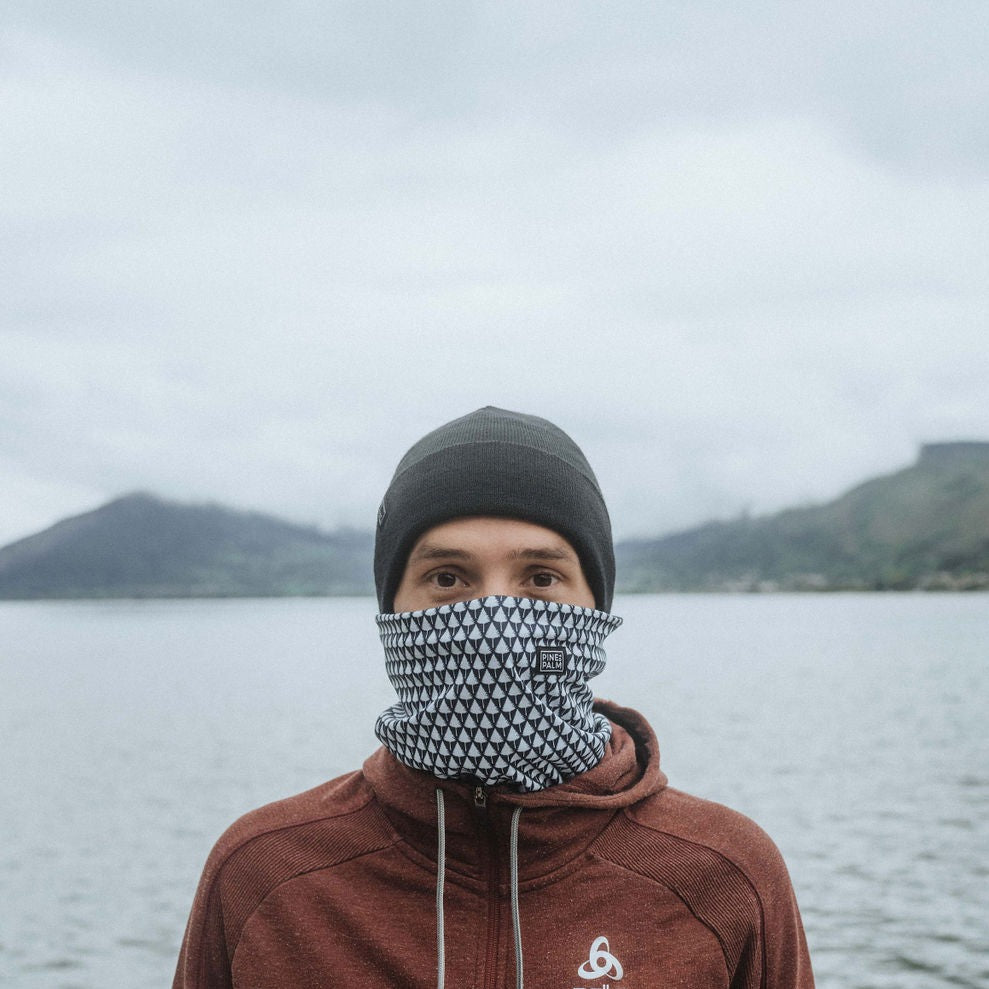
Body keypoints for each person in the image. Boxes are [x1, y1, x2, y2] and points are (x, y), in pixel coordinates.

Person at [173, 406, 814, 988]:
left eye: (541, 578)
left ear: (597, 608)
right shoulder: (264, 875)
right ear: (391, 610)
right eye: (447, 578)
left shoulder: (723, 876)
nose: (496, 624)